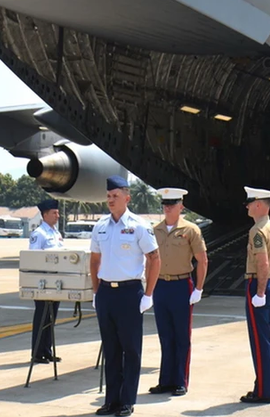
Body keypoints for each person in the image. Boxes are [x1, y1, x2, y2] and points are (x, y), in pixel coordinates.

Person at [90, 175, 160, 417]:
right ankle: (112, 401)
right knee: (111, 350)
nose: (110, 200)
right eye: (108, 196)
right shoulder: (100, 226)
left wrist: (148, 294)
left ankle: (127, 401)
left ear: (127, 198)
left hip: (130, 292)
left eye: (115, 196)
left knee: (130, 349)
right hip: (107, 293)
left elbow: (154, 259)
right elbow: (94, 260)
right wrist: (96, 291)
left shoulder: (139, 225)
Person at [149, 187, 208, 398]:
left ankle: (180, 381)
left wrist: (199, 288)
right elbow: (149, 260)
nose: (167, 208)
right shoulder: (155, 230)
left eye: (172, 204)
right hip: (161, 286)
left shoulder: (191, 230)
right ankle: (165, 381)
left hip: (182, 285)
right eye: (165, 204)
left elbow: (202, 260)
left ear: (181, 206)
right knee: (165, 336)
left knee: (182, 336)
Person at [239, 186, 270, 404]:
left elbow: (263, 262)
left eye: (249, 202)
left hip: (259, 284)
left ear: (258, 204)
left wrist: (260, 291)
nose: (246, 206)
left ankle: (264, 392)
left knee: (259, 341)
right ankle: (263, 386)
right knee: (266, 341)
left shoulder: (257, 231)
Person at [29, 198, 64, 364]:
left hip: (56, 281)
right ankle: (37, 352)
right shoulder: (39, 234)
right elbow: (34, 259)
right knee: (41, 317)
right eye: (54, 213)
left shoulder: (56, 233)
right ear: (44, 215)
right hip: (43, 282)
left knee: (52, 317)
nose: (57, 215)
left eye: (57, 212)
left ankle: (47, 350)